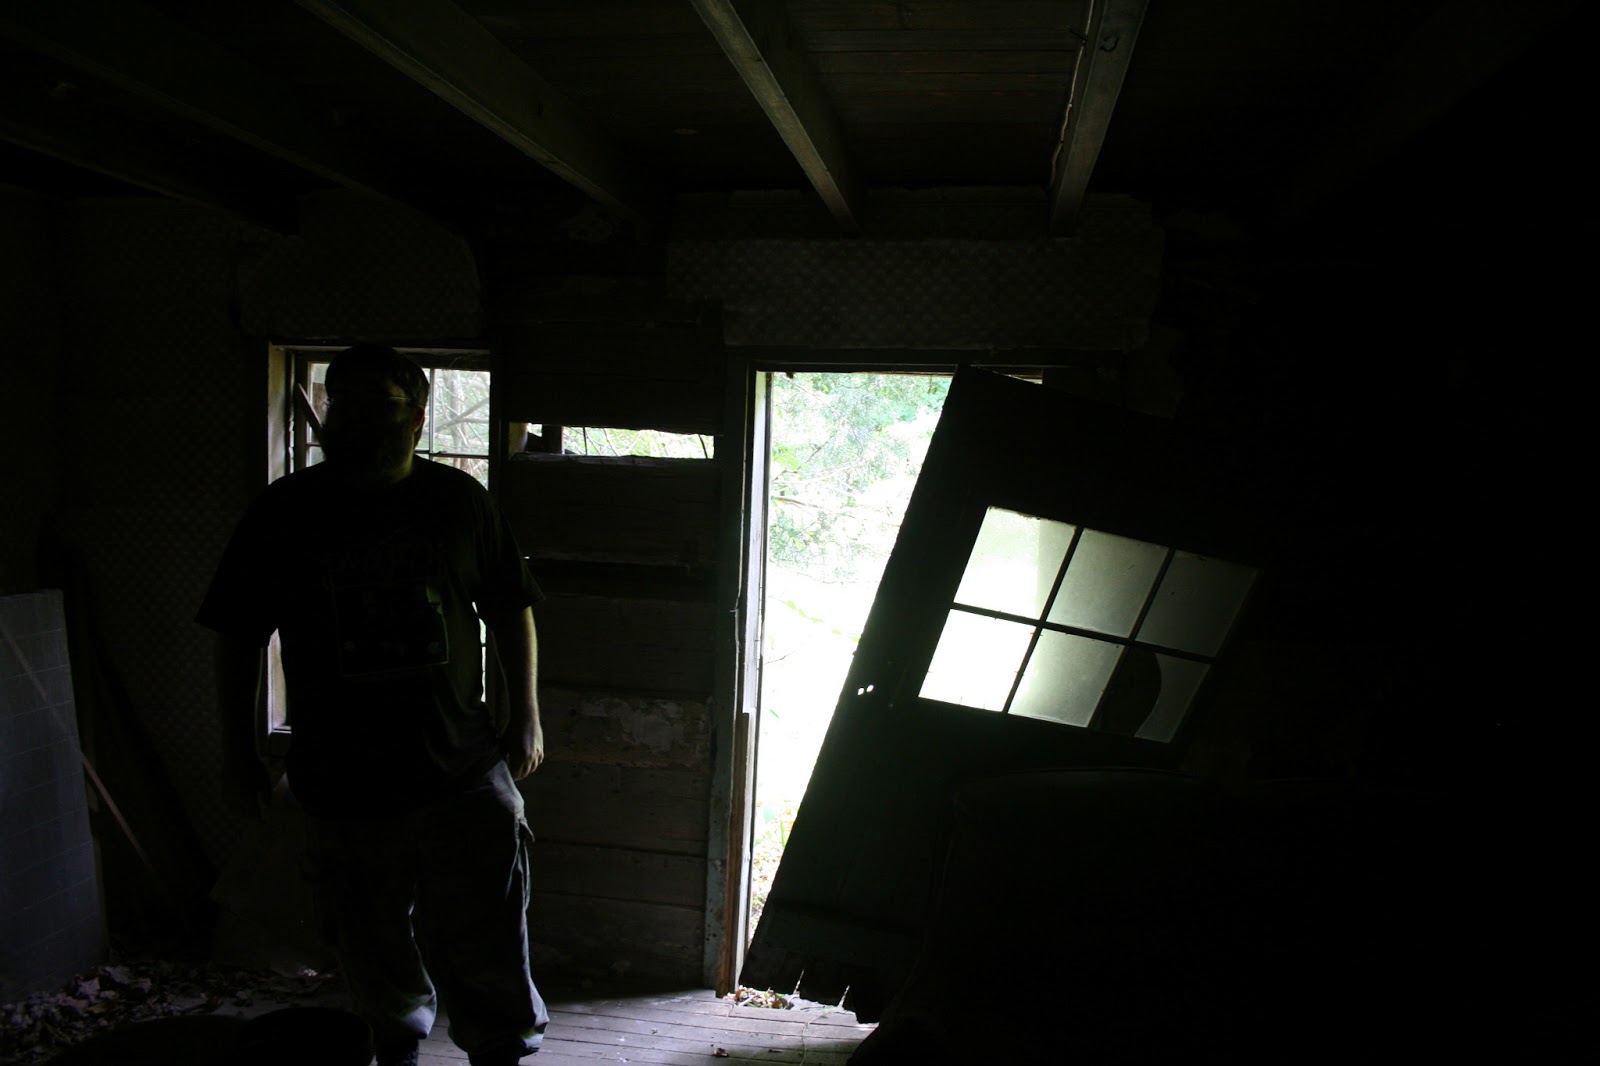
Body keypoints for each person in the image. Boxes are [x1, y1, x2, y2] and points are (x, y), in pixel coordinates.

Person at [197, 344, 549, 1066]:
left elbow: (512, 607)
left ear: (417, 417)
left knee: (488, 937)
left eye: (378, 404)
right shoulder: (286, 512)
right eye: (341, 402)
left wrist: (528, 715)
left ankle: (500, 1051)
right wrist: (236, 753)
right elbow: (236, 635)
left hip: (461, 770)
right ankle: (397, 1050)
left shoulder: (458, 502)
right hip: (342, 780)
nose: (354, 419)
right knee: (369, 942)